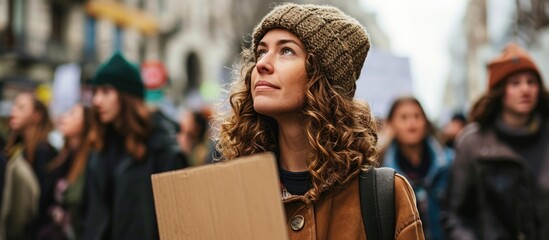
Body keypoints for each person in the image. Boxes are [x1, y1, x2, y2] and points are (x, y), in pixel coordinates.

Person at [216, 3, 424, 239]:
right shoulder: (232, 195)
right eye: (261, 51)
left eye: (286, 51)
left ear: (322, 77)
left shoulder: (385, 195)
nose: (261, 64)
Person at [444, 43, 549, 239]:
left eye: (531, 81)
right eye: (515, 83)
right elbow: (455, 215)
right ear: (500, 90)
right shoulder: (472, 143)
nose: (525, 89)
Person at [82, 53, 187, 240]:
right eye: (95, 92)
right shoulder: (99, 147)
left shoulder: (162, 149)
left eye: (106, 92)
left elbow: (177, 222)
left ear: (126, 96)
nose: (96, 101)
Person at [381, 97, 451, 239]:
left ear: (425, 122)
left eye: (417, 116)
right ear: (391, 124)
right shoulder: (382, 172)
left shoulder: (448, 162)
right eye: (404, 117)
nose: (411, 122)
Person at [38, 104, 99, 239]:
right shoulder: (64, 158)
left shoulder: (90, 161)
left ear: (85, 123)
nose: (64, 118)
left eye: (72, 114)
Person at [2, 92, 57, 238]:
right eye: (14, 106)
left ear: (36, 116)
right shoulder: (18, 147)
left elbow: (39, 202)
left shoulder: (42, 151)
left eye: (21, 107)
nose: (13, 111)